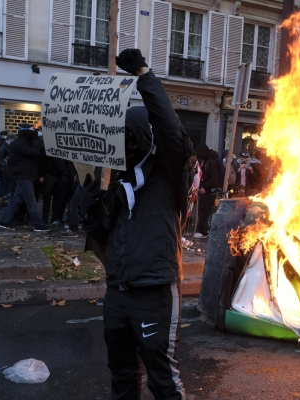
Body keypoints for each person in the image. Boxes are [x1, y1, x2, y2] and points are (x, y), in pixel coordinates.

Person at [80, 49, 188, 399]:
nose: (123, 144)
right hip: (119, 291)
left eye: (129, 136)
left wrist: (144, 75)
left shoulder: (169, 177)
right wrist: (89, 206)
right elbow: (100, 235)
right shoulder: (117, 181)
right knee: (123, 376)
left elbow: (170, 130)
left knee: (162, 380)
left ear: (143, 137)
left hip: (154, 290)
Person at [0, 125, 49, 232]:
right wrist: (35, 140)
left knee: (15, 200)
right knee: (31, 202)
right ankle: (38, 225)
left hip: (23, 175)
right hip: (24, 175)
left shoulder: (21, 142)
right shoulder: (20, 143)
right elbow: (34, 152)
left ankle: (3, 222)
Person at [194, 143, 224, 239]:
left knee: (204, 209)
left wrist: (205, 187)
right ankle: (204, 230)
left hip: (210, 191)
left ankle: (203, 231)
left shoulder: (211, 162)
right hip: (210, 189)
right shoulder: (211, 160)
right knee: (205, 210)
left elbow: (214, 178)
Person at [0, 133, 16, 208]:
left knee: (5, 187)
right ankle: (1, 200)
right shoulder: (5, 146)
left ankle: (2, 200)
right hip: (4, 170)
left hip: (5, 170)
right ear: (10, 138)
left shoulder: (5, 146)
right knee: (4, 187)